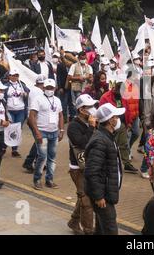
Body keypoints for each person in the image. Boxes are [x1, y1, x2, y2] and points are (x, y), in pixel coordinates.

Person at [84, 103, 124, 235]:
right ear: (111, 120)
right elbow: (92, 171)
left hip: (106, 192)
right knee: (110, 228)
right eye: (116, 117)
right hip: (102, 195)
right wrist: (99, 196)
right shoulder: (101, 140)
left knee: (101, 229)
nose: (118, 120)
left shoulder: (107, 137)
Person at [67, 94, 98, 235]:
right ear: (81, 110)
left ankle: (74, 221)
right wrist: (92, 127)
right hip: (78, 168)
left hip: (90, 165)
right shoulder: (73, 126)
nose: (93, 110)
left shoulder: (91, 122)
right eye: (89, 107)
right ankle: (88, 230)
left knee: (83, 196)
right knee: (86, 201)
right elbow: (83, 143)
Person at [28, 79, 64, 190]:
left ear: (55, 88)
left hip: (53, 132)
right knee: (42, 156)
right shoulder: (38, 99)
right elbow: (32, 116)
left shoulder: (57, 100)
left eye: (51, 88)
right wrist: (37, 132)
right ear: (44, 88)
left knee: (52, 157)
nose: (49, 90)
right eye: (47, 87)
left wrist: (61, 130)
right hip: (42, 131)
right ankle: (37, 179)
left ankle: (49, 179)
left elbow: (61, 115)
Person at [99, 79, 139, 173]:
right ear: (115, 89)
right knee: (111, 145)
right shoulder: (105, 97)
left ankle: (126, 163)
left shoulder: (124, 96)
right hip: (109, 125)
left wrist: (128, 122)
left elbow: (127, 109)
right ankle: (109, 164)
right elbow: (102, 112)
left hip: (122, 124)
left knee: (124, 144)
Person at [4, 69, 30, 158]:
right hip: (10, 110)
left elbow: (28, 93)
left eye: (16, 75)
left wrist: (26, 95)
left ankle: (14, 149)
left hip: (20, 110)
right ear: (9, 76)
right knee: (9, 128)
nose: (15, 77)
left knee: (18, 129)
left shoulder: (22, 85)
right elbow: (2, 97)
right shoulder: (6, 86)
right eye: (13, 75)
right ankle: (4, 147)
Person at [22, 75, 45, 173]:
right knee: (39, 142)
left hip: (34, 119)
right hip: (35, 120)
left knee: (39, 142)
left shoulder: (34, 90)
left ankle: (37, 161)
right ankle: (29, 162)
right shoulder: (38, 92)